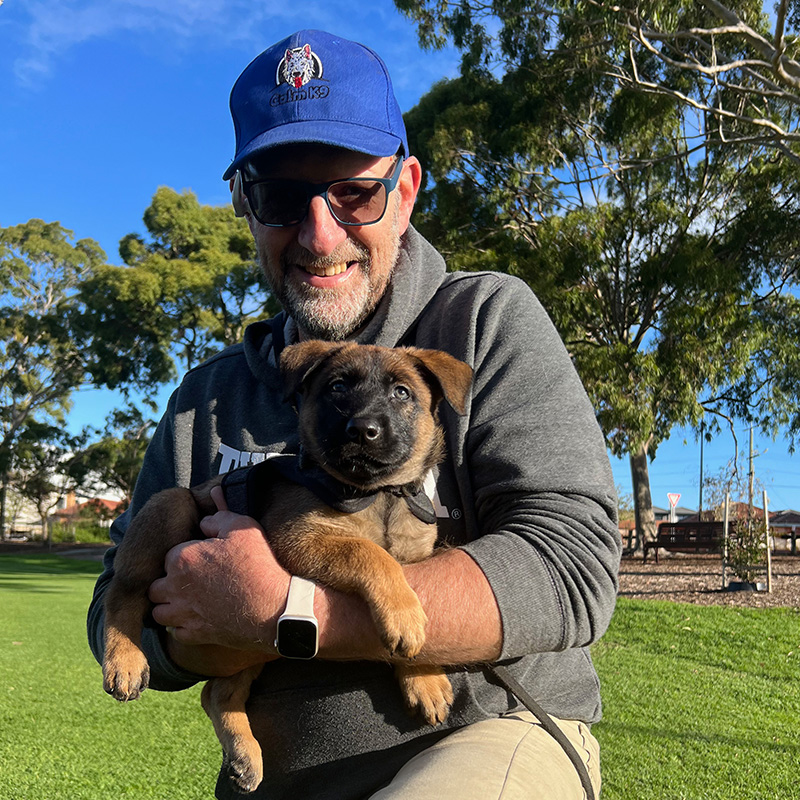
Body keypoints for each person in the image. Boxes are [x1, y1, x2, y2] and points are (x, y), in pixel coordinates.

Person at [88, 29, 621, 800]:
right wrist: (191, 636)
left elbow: (571, 569)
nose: (318, 232)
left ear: (403, 192)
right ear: (246, 206)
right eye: (279, 196)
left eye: (352, 191)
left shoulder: (484, 321)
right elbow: (120, 595)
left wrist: (288, 613)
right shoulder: (204, 401)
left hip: (486, 737)